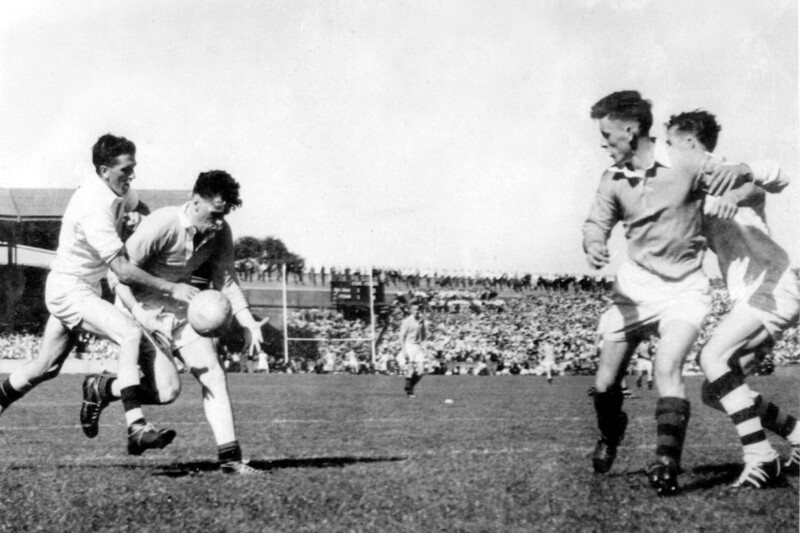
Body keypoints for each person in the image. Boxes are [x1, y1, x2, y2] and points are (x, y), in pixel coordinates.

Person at [582, 91, 752, 495]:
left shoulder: (685, 161)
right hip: (635, 289)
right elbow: (595, 224)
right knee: (606, 385)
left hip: (685, 289)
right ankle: (611, 432)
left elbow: (745, 182)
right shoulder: (612, 179)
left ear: (631, 129)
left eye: (606, 134)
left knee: (667, 365)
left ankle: (666, 464)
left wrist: (733, 195)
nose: (602, 142)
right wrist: (593, 244)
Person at [0, 134, 197, 455]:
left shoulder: (117, 187)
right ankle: (136, 425)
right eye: (125, 170)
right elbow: (121, 270)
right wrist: (173, 287)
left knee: (45, 367)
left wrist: (140, 218)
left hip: (83, 288)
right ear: (104, 170)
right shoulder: (93, 205)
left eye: (133, 168)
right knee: (130, 333)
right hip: (69, 289)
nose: (131, 176)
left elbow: (139, 205)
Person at [82, 170, 267, 474]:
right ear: (196, 201)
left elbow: (226, 280)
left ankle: (230, 459)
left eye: (226, 213)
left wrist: (247, 321)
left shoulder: (220, 231)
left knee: (214, 374)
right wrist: (140, 315)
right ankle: (103, 388)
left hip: (180, 308)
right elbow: (119, 275)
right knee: (167, 392)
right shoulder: (162, 223)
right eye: (216, 212)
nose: (220, 220)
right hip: (139, 308)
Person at [665, 110, 800, 488]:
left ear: (689, 142)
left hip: (772, 288)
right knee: (715, 390)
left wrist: (739, 189)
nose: (668, 152)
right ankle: (796, 432)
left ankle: (760, 457)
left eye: (672, 144)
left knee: (712, 357)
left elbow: (767, 183)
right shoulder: (689, 187)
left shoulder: (724, 172)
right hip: (757, 296)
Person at [399, 303, 428, 398]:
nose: (417, 311)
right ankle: (410, 392)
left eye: (418, 310)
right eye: (415, 309)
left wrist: (424, 346)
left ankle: (409, 386)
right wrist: (404, 350)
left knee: (421, 371)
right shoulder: (407, 321)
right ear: (411, 310)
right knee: (410, 369)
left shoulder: (421, 321)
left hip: (417, 347)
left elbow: (423, 335)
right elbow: (402, 336)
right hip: (408, 345)